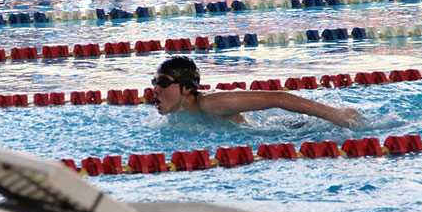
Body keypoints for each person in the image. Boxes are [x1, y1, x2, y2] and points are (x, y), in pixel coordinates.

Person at [152, 56, 361, 127]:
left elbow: (277, 98)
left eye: (162, 83)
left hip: (291, 133)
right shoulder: (178, 115)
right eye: (154, 82)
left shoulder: (210, 103)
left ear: (187, 88)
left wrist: (334, 114)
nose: (155, 89)